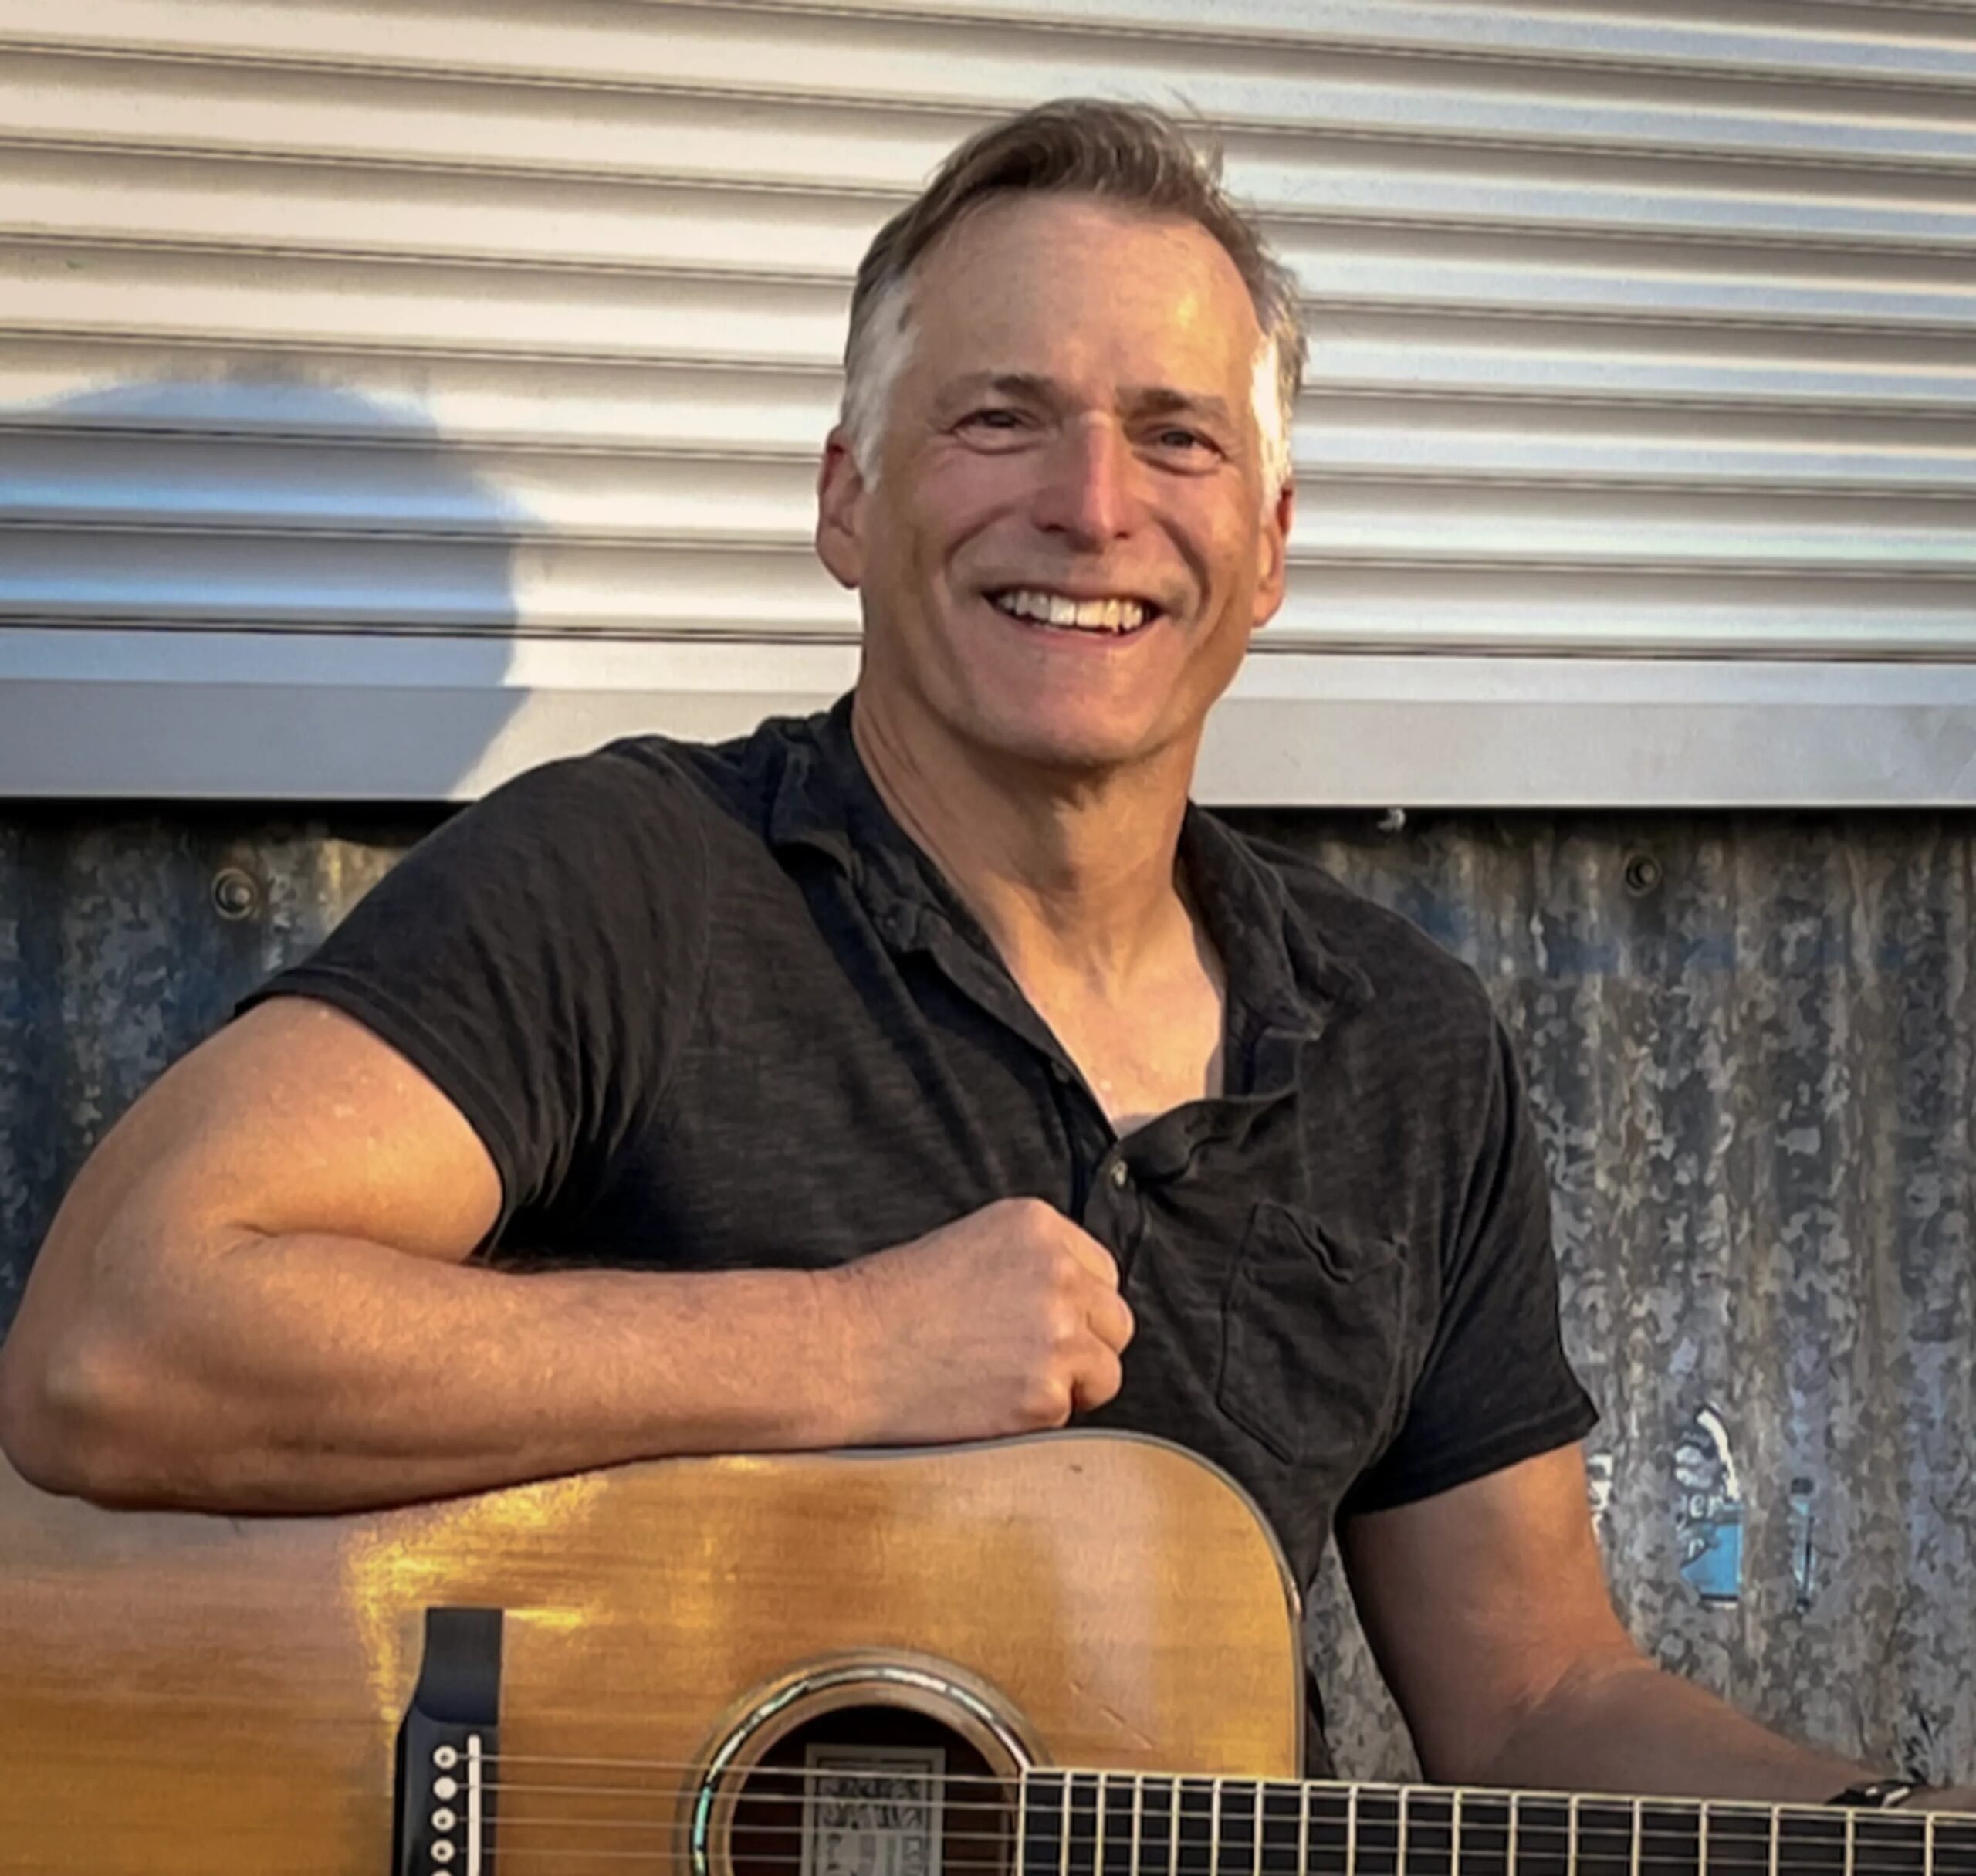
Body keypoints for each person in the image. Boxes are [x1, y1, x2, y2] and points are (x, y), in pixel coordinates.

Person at [0, 100, 1964, 1811]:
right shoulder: (633, 884)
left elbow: (1532, 1699)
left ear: (1268, 546)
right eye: (998, 419)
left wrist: (1886, 1819)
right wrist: (845, 1345)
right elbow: (122, 1343)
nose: (1091, 507)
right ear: (847, 500)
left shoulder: (1404, 1047)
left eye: (1174, 439)